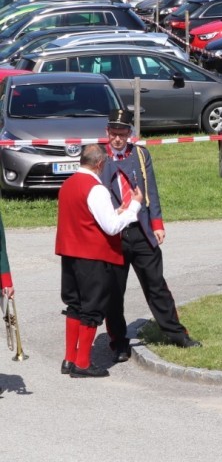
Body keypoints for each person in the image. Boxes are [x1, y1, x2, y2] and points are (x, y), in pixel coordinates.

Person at [102, 109, 200, 362]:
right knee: (114, 292)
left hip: (141, 231)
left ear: (130, 133)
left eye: (122, 134)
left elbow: (151, 191)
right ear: (107, 132)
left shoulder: (141, 154)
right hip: (114, 234)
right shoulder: (99, 157)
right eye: (113, 133)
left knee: (157, 285)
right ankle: (118, 342)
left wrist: (157, 223)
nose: (117, 139)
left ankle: (176, 333)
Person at [56, 144, 143, 378]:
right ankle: (83, 363)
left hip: (70, 254)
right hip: (92, 257)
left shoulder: (67, 184)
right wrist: (134, 206)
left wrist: (117, 212)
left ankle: (69, 359)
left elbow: (87, 217)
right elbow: (111, 227)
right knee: (92, 309)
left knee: (74, 306)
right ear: (100, 163)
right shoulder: (96, 189)